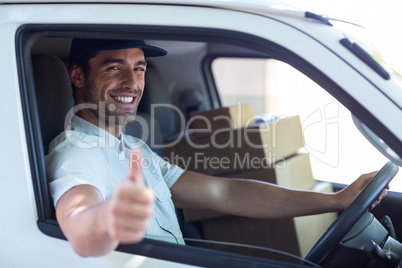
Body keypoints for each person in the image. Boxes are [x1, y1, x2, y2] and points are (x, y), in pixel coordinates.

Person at [46, 38, 387, 258]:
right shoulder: (78, 151)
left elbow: (223, 193)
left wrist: (334, 201)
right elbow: (79, 221)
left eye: (139, 68)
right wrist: (107, 220)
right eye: (114, 67)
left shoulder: (133, 147)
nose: (132, 83)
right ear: (77, 76)